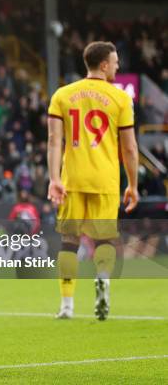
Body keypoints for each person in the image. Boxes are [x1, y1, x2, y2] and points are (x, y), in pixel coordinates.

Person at [47, 41, 139, 321]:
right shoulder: (120, 98)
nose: (118, 66)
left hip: (72, 179)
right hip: (105, 180)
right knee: (105, 239)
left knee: (69, 241)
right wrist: (133, 185)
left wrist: (53, 178)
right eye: (115, 61)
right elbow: (130, 148)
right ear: (103, 65)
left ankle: (66, 305)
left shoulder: (62, 94)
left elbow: (54, 140)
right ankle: (102, 279)